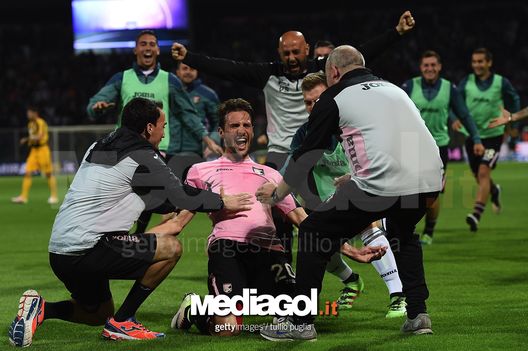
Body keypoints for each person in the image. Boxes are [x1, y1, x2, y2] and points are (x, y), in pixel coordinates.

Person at [171, 11, 417, 262]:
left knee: (329, 213)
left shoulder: (322, 69)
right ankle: (283, 264)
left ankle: (366, 253)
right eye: (286, 53)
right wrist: (190, 57)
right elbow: (228, 68)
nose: (291, 58)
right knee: (279, 211)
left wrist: (396, 33)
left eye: (296, 52)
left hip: (317, 148)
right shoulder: (268, 74)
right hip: (282, 153)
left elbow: (359, 57)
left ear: (307, 49)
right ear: (279, 53)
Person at [7, 98, 252, 347]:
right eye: (162, 125)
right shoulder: (141, 154)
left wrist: (177, 204)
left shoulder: (99, 146)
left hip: (60, 252)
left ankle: (42, 310)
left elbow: (154, 197)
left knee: (98, 313)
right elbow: (177, 193)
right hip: (89, 248)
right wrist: (221, 202)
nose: (163, 132)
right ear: (148, 128)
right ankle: (124, 322)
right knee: (171, 249)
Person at [256, 45, 443, 341]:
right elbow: (394, 139)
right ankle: (418, 315)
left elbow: (306, 155)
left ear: (333, 72)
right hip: (430, 178)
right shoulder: (395, 89)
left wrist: (277, 194)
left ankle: (300, 321)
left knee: (314, 231)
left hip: (381, 184)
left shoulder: (335, 96)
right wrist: (356, 175)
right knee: (403, 233)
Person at [167, 98, 383, 336]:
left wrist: (353, 252)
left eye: (247, 125)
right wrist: (147, 242)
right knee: (227, 329)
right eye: (234, 126)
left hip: (270, 252)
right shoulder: (200, 171)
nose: (242, 131)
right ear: (221, 132)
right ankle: (194, 309)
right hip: (228, 248)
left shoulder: (270, 174)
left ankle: (244, 303)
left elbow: (304, 220)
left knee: (300, 312)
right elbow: (180, 219)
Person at [292, 72, 406, 317]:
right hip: (325, 204)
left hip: (362, 196)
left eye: (317, 100)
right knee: (316, 241)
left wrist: (353, 180)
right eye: (307, 102)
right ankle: (351, 280)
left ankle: (397, 295)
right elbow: (295, 171)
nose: (312, 107)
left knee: (368, 227)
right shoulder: (303, 135)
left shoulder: (351, 125)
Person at [87, 30, 222, 234]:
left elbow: (188, 112)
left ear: (158, 50)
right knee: (135, 196)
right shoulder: (121, 78)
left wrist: (206, 138)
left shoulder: (170, 80)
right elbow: (94, 104)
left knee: (147, 195)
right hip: (123, 150)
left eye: (152, 44)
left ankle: (135, 235)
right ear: (135, 49)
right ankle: (128, 235)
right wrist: (96, 107)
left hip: (156, 150)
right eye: (143, 44)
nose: (147, 47)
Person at [402, 50, 484, 244]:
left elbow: (464, 115)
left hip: (438, 148)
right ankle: (405, 230)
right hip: (411, 145)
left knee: (431, 194)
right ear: (421, 68)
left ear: (439, 67)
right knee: (406, 192)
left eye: (433, 65)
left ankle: (429, 231)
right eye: (426, 65)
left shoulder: (449, 89)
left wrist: (477, 139)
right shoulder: (408, 86)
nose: (429, 69)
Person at [455, 48, 520, 231]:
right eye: (474, 61)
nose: (477, 65)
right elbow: (455, 101)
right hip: (472, 135)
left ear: (489, 63)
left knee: (483, 172)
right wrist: (456, 118)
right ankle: (494, 190)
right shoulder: (466, 82)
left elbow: (514, 100)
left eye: (481, 61)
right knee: (479, 175)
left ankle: (476, 214)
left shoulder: (501, 82)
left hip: (493, 135)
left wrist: (511, 121)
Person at [174, 61, 221, 161]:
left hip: (198, 151)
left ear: (197, 71)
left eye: (192, 69)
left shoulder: (208, 94)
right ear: (177, 72)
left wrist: (213, 141)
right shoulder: (169, 92)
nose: (188, 72)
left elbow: (219, 121)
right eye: (185, 68)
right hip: (171, 150)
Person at [11, 105, 58, 205]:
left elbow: (39, 137)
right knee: (27, 172)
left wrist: (26, 139)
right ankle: (23, 197)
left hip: (43, 150)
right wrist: (29, 140)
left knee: (48, 174)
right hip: (34, 151)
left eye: (29, 112)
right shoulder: (30, 124)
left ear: (35, 113)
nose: (28, 114)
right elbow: (34, 137)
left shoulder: (40, 122)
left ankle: (54, 196)